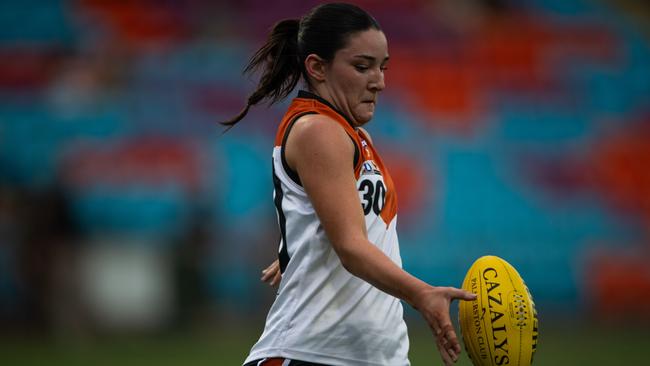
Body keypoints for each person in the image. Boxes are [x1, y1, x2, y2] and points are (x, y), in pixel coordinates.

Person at [222, 3, 476, 366]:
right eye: (362, 66)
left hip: (369, 357)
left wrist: (303, 246)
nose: (379, 81)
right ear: (317, 67)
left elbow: (344, 228)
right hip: (311, 355)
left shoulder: (351, 134)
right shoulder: (318, 130)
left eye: (382, 67)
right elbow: (351, 247)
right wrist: (422, 294)